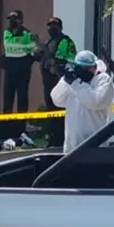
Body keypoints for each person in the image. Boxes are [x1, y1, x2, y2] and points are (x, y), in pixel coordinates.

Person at [50, 50, 114, 153]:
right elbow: (57, 99)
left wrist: (77, 84)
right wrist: (66, 81)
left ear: (95, 66)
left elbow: (96, 102)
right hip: (72, 144)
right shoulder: (73, 81)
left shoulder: (103, 80)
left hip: (95, 144)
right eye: (82, 68)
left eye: (88, 68)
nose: (85, 71)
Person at [40, 17, 77, 147]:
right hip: (48, 81)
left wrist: (59, 67)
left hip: (60, 80)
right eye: (49, 26)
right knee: (51, 110)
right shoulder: (49, 42)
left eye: (54, 26)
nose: (51, 28)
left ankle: (61, 138)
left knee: (59, 110)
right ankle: (53, 138)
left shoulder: (66, 41)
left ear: (60, 28)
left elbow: (71, 60)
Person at [1, 10, 38, 114]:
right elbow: (10, 47)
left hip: (22, 70)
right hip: (10, 69)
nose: (11, 21)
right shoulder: (7, 33)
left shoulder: (27, 34)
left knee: (22, 98)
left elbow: (33, 50)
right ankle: (6, 122)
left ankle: (21, 122)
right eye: (10, 19)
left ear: (20, 20)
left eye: (14, 19)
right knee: (7, 98)